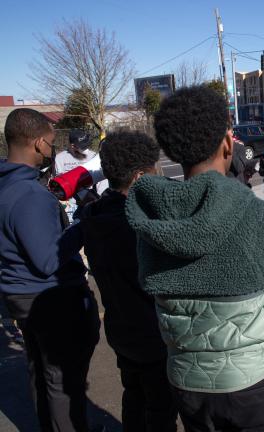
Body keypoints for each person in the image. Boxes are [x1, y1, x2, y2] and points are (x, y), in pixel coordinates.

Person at [125, 86, 264, 431]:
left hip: (187, 383)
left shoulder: (151, 219)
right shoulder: (262, 218)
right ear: (228, 145)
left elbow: (148, 281)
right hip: (260, 383)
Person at [0, 108, 100, 431]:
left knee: (41, 374)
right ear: (38, 143)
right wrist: (83, 224)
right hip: (50, 301)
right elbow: (47, 259)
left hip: (22, 297)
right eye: (51, 141)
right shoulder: (30, 196)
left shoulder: (9, 186)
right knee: (62, 382)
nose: (52, 147)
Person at [73, 131, 178, 432]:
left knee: (134, 397)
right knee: (160, 409)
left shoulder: (93, 216)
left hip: (121, 330)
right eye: (154, 170)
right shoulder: (140, 226)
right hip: (154, 336)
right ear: (138, 177)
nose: (159, 175)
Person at [55, 129, 109, 223]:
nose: (86, 149)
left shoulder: (94, 156)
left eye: (86, 144)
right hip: (69, 204)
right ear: (72, 146)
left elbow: (101, 184)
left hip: (90, 201)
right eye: (82, 146)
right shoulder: (60, 158)